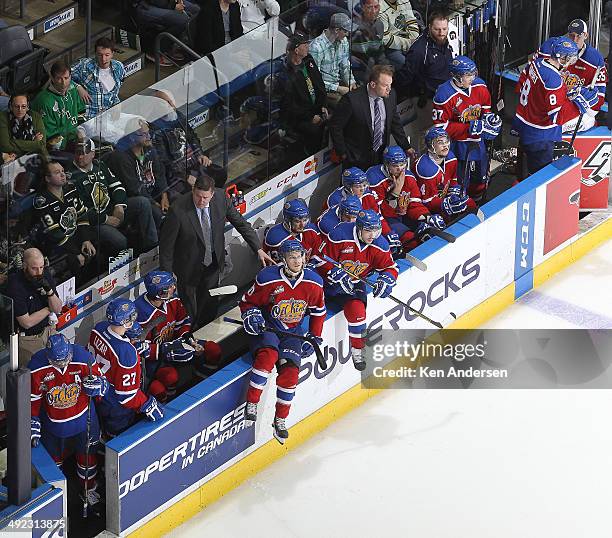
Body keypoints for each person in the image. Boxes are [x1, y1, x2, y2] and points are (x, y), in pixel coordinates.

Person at [159, 174, 274, 328]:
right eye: (198, 196)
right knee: (190, 313)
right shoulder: (178, 209)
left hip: (213, 263)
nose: (201, 201)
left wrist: (258, 248)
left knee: (209, 304)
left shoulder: (221, 198)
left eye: (205, 197)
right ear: (193, 190)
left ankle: (206, 336)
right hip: (187, 269)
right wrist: (166, 280)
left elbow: (240, 223)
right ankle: (192, 337)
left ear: (212, 194)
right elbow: (166, 248)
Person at [240, 240, 325, 443]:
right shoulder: (267, 278)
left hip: (292, 333)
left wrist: (314, 335)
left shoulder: (314, 282)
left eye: (300, 256)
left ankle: (280, 419)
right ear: (283, 260)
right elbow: (247, 302)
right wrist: (252, 315)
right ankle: (251, 403)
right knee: (268, 357)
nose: (297, 261)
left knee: (291, 374)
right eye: (292, 257)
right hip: (269, 327)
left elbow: (318, 312)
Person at [29, 334, 108, 508]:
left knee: (87, 459)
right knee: (54, 464)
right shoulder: (36, 366)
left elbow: (103, 383)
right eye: (58, 362)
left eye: (66, 358)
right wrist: (33, 419)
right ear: (48, 357)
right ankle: (57, 501)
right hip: (53, 427)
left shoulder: (83, 358)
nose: (64, 364)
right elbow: (33, 398)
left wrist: (99, 387)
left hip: (84, 422)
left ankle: (89, 490)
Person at [318, 210, 397, 370]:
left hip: (353, 283)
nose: (372, 235)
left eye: (376, 230)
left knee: (358, 313)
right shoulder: (339, 234)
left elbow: (390, 267)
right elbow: (318, 259)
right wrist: (332, 272)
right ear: (359, 228)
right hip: (325, 283)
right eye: (368, 230)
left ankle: (358, 349)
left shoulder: (379, 244)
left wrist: (387, 280)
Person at [512, 37, 598, 176]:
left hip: (524, 122)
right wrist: (580, 105)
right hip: (540, 135)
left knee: (522, 170)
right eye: (570, 58)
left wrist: (566, 94)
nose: (571, 62)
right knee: (538, 178)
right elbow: (558, 117)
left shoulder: (538, 63)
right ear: (562, 58)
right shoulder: (553, 80)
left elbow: (533, 90)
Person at [134, 270, 222, 389]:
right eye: (169, 287)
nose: (173, 288)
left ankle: (202, 384)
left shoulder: (173, 300)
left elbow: (183, 322)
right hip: (155, 358)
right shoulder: (139, 314)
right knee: (170, 377)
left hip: (177, 345)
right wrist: (167, 351)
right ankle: (170, 401)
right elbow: (139, 349)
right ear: (159, 292)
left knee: (213, 350)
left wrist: (188, 339)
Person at [89, 298, 164, 437]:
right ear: (126, 321)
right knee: (119, 436)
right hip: (116, 405)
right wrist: (147, 404)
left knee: (106, 429)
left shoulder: (98, 328)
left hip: (100, 395)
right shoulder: (127, 353)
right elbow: (126, 397)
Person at [432, 56, 502, 202]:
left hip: (478, 143)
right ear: (456, 76)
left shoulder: (480, 86)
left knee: (481, 179)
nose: (472, 77)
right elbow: (441, 128)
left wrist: (490, 120)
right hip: (458, 146)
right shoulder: (443, 94)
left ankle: (477, 205)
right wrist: (471, 127)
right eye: (468, 75)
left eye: (473, 73)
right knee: (460, 183)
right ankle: (461, 211)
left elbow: (485, 110)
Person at [329, 64, 414, 171]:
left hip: (380, 155)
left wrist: (406, 146)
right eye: (385, 86)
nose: (389, 89)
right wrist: (343, 153)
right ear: (373, 84)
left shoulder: (391, 95)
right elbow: (335, 126)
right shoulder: (351, 100)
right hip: (356, 158)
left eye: (390, 85)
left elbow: (395, 122)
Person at [535, 19, 608, 133]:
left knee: (589, 119)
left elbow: (599, 97)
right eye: (571, 35)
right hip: (552, 102)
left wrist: (584, 101)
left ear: (586, 35)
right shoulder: (553, 47)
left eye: (579, 36)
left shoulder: (595, 59)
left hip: (573, 107)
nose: (574, 40)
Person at [395, 10, 453, 151]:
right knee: (429, 137)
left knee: (444, 136)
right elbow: (406, 75)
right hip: (427, 100)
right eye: (437, 29)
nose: (441, 33)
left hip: (446, 98)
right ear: (429, 27)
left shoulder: (445, 42)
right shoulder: (420, 49)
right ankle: (424, 169)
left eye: (444, 29)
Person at [367, 145, 438, 252]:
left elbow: (414, 204)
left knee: (428, 231)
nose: (400, 169)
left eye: (402, 164)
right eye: (395, 165)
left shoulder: (409, 177)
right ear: (386, 164)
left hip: (402, 217)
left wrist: (427, 217)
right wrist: (396, 191)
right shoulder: (374, 178)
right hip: (384, 222)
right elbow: (381, 213)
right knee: (411, 240)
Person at [33, 161, 97, 275]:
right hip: (57, 246)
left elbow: (81, 215)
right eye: (57, 172)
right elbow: (54, 233)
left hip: (75, 237)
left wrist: (85, 239)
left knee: (96, 245)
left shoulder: (71, 189)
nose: (63, 175)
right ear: (47, 179)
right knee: (74, 261)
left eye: (63, 171)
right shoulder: (41, 201)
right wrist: (76, 252)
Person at [69, 137, 128, 257]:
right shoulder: (70, 176)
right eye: (78, 153)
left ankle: (151, 247)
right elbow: (80, 210)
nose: (80, 157)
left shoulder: (99, 165)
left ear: (92, 154)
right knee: (120, 241)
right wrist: (105, 219)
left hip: (112, 209)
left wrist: (119, 206)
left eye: (84, 154)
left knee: (142, 204)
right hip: (94, 222)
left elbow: (117, 186)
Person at [107, 118, 169, 233]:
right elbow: (134, 188)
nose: (148, 136)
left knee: (177, 201)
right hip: (134, 199)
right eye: (143, 134)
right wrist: (154, 203)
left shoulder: (149, 149)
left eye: (148, 132)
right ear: (131, 137)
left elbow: (159, 172)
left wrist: (164, 195)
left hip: (153, 193)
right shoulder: (121, 157)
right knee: (157, 213)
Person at [5, 248, 62, 367]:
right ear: (25, 266)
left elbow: (58, 308)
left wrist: (50, 291)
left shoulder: (44, 274)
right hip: (28, 340)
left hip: (49, 331)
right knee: (34, 376)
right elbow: (26, 322)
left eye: (41, 267)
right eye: (34, 268)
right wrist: (48, 308)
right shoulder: (15, 284)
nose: (39, 272)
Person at [276, 34, 329, 156]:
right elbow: (290, 106)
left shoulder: (308, 60)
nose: (308, 47)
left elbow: (319, 84)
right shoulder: (285, 73)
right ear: (296, 50)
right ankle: (311, 156)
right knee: (315, 130)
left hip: (317, 108)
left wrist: (323, 105)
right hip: (300, 117)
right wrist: (310, 116)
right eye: (305, 45)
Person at [323, 167, 399, 251]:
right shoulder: (334, 199)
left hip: (365, 233)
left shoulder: (368, 196)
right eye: (358, 186)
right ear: (348, 186)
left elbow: (377, 218)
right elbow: (332, 225)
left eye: (364, 185)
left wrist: (389, 234)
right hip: (345, 237)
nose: (362, 189)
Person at [414, 127, 477, 224]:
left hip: (443, 198)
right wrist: (446, 204)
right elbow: (427, 201)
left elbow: (453, 180)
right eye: (440, 142)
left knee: (469, 203)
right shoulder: (426, 169)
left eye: (446, 141)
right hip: (427, 209)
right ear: (431, 146)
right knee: (444, 222)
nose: (445, 145)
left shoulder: (450, 158)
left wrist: (454, 193)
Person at [31, 60, 87, 151]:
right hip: (57, 147)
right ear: (52, 78)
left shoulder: (73, 89)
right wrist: (71, 146)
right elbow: (50, 137)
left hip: (76, 139)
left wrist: (81, 132)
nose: (63, 82)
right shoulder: (44, 101)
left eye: (66, 78)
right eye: (59, 78)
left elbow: (81, 113)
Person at [71, 37, 126, 121]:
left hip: (110, 116)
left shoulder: (119, 67)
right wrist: (78, 87)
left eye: (107, 55)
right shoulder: (84, 65)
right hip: (89, 117)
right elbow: (64, 77)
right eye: (100, 55)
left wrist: (117, 105)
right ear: (95, 53)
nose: (103, 59)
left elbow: (116, 91)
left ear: (112, 54)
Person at [309, 13, 357, 107]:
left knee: (361, 99)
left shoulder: (344, 41)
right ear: (336, 30)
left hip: (339, 84)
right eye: (345, 31)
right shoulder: (316, 47)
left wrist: (351, 81)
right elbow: (315, 80)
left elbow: (345, 65)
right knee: (348, 106)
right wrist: (338, 89)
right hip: (324, 90)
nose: (347, 34)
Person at [263, 198, 322, 263]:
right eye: (297, 221)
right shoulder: (276, 238)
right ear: (288, 220)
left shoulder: (311, 231)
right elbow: (275, 267)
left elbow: (317, 255)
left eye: (305, 220)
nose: (302, 225)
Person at [0, 95, 47, 160]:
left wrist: (13, 142)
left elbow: (42, 144)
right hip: (11, 158)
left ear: (27, 106)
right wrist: (33, 142)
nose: (20, 110)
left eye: (23, 106)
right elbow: (5, 146)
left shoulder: (36, 116)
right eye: (16, 106)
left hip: (33, 157)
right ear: (11, 106)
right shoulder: (2, 117)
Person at [350, 0, 386, 81]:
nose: (373, 11)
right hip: (358, 68)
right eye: (369, 7)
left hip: (373, 65)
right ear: (363, 7)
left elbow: (379, 51)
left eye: (376, 7)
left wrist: (384, 67)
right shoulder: (354, 26)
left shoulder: (380, 24)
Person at [379, 0, 420, 69]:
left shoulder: (404, 1)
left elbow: (411, 21)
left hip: (409, 40)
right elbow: (385, 39)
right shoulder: (379, 7)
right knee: (408, 66)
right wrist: (408, 43)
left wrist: (414, 39)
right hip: (391, 47)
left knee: (424, 58)